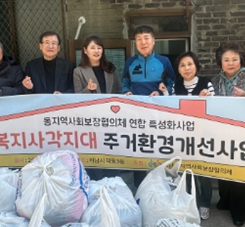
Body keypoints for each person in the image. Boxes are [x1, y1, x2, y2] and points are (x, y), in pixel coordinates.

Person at [211, 43, 245, 227]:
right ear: (220, 62)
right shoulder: (216, 80)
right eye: (226, 59)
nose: (230, 63)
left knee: (243, 171)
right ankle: (226, 200)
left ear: (241, 60)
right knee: (224, 166)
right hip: (222, 131)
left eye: (234, 59)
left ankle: (240, 211)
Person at [160, 51, 215, 220]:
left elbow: (214, 107)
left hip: (203, 134)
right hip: (183, 135)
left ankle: (205, 203)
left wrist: (207, 98)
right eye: (182, 65)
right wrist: (165, 94)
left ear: (196, 66)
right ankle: (190, 201)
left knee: (203, 171)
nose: (187, 68)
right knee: (186, 170)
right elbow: (174, 107)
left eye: (190, 64)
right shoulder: (176, 86)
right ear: (178, 69)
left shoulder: (206, 83)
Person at [121, 25, 176, 187]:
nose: (143, 42)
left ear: (153, 41)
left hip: (159, 114)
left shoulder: (163, 61)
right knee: (139, 148)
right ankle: (140, 188)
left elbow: (172, 83)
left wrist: (161, 92)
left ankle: (165, 186)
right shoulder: (130, 62)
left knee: (162, 148)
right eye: (139, 39)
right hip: (136, 114)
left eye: (146, 38)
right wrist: (126, 91)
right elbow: (125, 82)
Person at [73, 35, 123, 181]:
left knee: (111, 155)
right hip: (91, 122)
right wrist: (88, 90)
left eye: (99, 47)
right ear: (85, 51)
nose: (96, 51)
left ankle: (113, 185)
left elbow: (118, 91)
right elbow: (76, 97)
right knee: (94, 158)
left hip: (111, 119)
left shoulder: (111, 68)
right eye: (92, 48)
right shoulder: (78, 71)